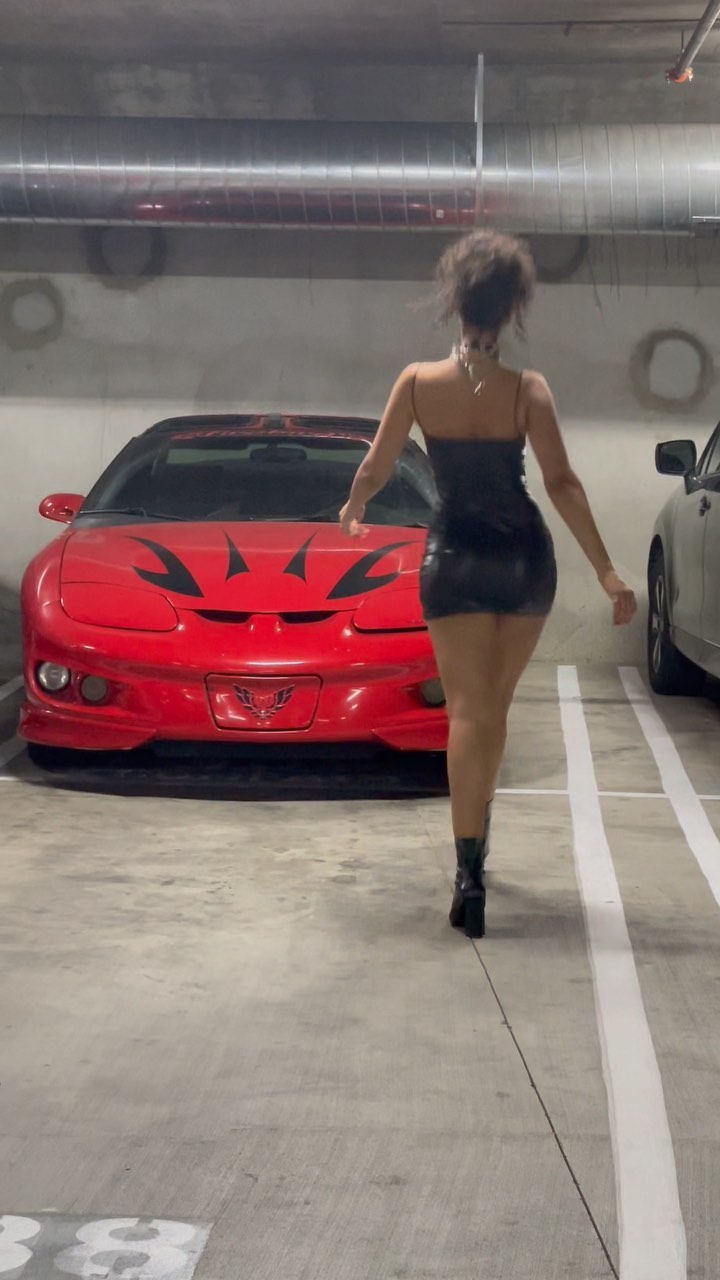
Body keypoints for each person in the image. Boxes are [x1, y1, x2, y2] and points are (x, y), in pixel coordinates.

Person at [339, 230, 637, 939]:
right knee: (493, 713)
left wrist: (353, 507)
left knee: (468, 716)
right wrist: (605, 569)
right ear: (512, 310)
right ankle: (481, 840)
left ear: (455, 301)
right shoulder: (528, 390)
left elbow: (378, 466)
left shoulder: (418, 382)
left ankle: (468, 872)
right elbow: (561, 483)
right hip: (524, 561)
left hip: (457, 559)